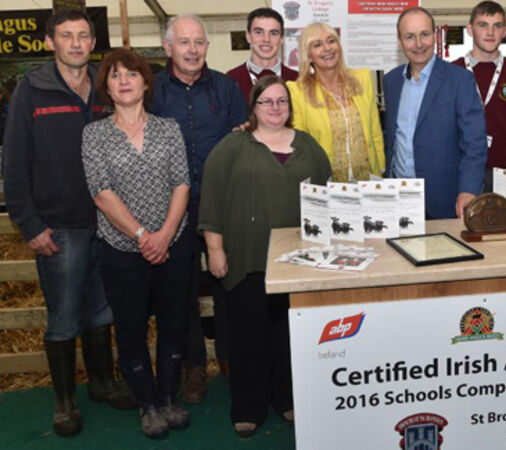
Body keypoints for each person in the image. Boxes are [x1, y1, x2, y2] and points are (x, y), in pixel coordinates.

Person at [1, 9, 135, 436]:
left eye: (83, 36)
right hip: (59, 225)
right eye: (66, 35)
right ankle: (63, 402)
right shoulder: (31, 90)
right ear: (50, 42)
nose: (76, 43)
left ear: (93, 43)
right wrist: (29, 224)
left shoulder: (105, 86)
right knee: (63, 316)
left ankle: (101, 382)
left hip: (108, 222)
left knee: (101, 310)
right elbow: (14, 162)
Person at [198, 75, 332, 437]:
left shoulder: (308, 146)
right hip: (248, 259)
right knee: (247, 336)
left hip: (298, 262)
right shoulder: (232, 147)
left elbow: (328, 196)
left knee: (288, 335)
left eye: (282, 101)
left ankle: (286, 397)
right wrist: (215, 248)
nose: (275, 107)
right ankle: (248, 408)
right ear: (253, 107)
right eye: (267, 101)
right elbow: (212, 198)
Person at [82, 48, 192, 439]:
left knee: (173, 324)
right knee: (130, 330)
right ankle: (147, 405)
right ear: (107, 88)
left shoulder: (169, 128)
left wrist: (165, 234)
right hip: (122, 250)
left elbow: (182, 183)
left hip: (172, 245)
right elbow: (102, 193)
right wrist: (143, 236)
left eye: (132, 74)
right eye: (115, 75)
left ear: (146, 83)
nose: (124, 81)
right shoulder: (94, 135)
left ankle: (169, 398)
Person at [151, 14, 247, 403]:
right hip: (171, 207)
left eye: (199, 42)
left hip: (222, 203)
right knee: (182, 289)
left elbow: (242, 142)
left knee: (229, 282)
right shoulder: (153, 91)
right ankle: (194, 364)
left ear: (207, 46)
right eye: (184, 42)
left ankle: (231, 356)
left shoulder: (226, 88)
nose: (192, 50)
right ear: (168, 47)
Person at [384, 7, 487, 218]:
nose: (419, 44)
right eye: (409, 37)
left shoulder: (460, 80)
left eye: (424, 34)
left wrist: (468, 189)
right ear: (400, 41)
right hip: (398, 198)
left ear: (435, 35)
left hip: (444, 200)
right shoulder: (391, 81)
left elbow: (474, 143)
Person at [451, 1, 506, 192]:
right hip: (461, 175)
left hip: (505, 176)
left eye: (497, 26)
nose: (490, 32)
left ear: (505, 31)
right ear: (470, 29)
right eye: (483, 25)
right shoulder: (452, 72)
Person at [287, 22, 384, 182]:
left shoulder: (362, 79)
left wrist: (381, 168)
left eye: (331, 41)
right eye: (317, 45)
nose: (327, 48)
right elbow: (299, 145)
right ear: (308, 55)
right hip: (324, 183)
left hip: (368, 181)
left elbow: (375, 131)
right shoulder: (297, 91)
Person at [227, 7, 298, 102]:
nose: (266, 39)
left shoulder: (298, 80)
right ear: (248, 36)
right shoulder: (230, 80)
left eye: (273, 33)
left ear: (281, 39)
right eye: (259, 32)